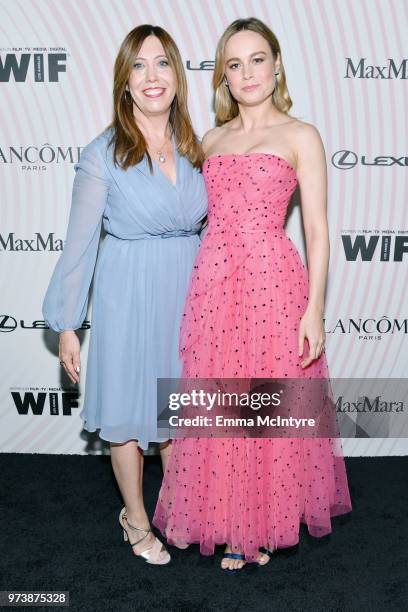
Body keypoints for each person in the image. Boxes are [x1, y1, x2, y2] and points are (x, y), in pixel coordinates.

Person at [153, 17, 352, 571]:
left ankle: (262, 524)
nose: (248, 72)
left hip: (273, 282)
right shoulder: (208, 140)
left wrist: (315, 307)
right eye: (234, 63)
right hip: (215, 283)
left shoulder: (300, 135)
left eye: (257, 58)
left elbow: (316, 229)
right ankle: (234, 527)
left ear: (277, 63)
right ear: (223, 75)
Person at [42, 25, 207, 565]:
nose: (152, 76)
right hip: (128, 292)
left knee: (177, 410)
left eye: (162, 63)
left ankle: (177, 509)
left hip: (186, 289)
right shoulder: (102, 154)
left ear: (178, 76)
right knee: (128, 412)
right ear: (125, 81)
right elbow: (80, 243)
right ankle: (135, 517)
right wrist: (68, 323)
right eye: (138, 66)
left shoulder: (196, 147)